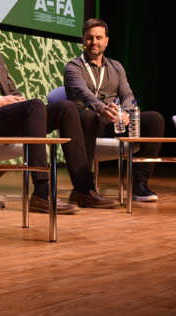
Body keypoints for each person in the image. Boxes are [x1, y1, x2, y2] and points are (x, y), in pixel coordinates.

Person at [0, 0, 117, 214]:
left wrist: (17, 99)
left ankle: (83, 189)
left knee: (66, 108)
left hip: (8, 116)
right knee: (36, 105)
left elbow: (12, 90)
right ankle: (42, 192)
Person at [63, 17, 164, 202]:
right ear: (83, 40)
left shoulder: (116, 67)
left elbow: (128, 95)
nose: (94, 42)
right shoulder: (73, 67)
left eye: (99, 38)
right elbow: (84, 94)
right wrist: (102, 109)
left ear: (106, 41)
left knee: (155, 119)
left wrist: (126, 113)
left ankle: (139, 184)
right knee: (87, 116)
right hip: (87, 123)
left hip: (115, 122)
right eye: (89, 38)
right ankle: (84, 188)